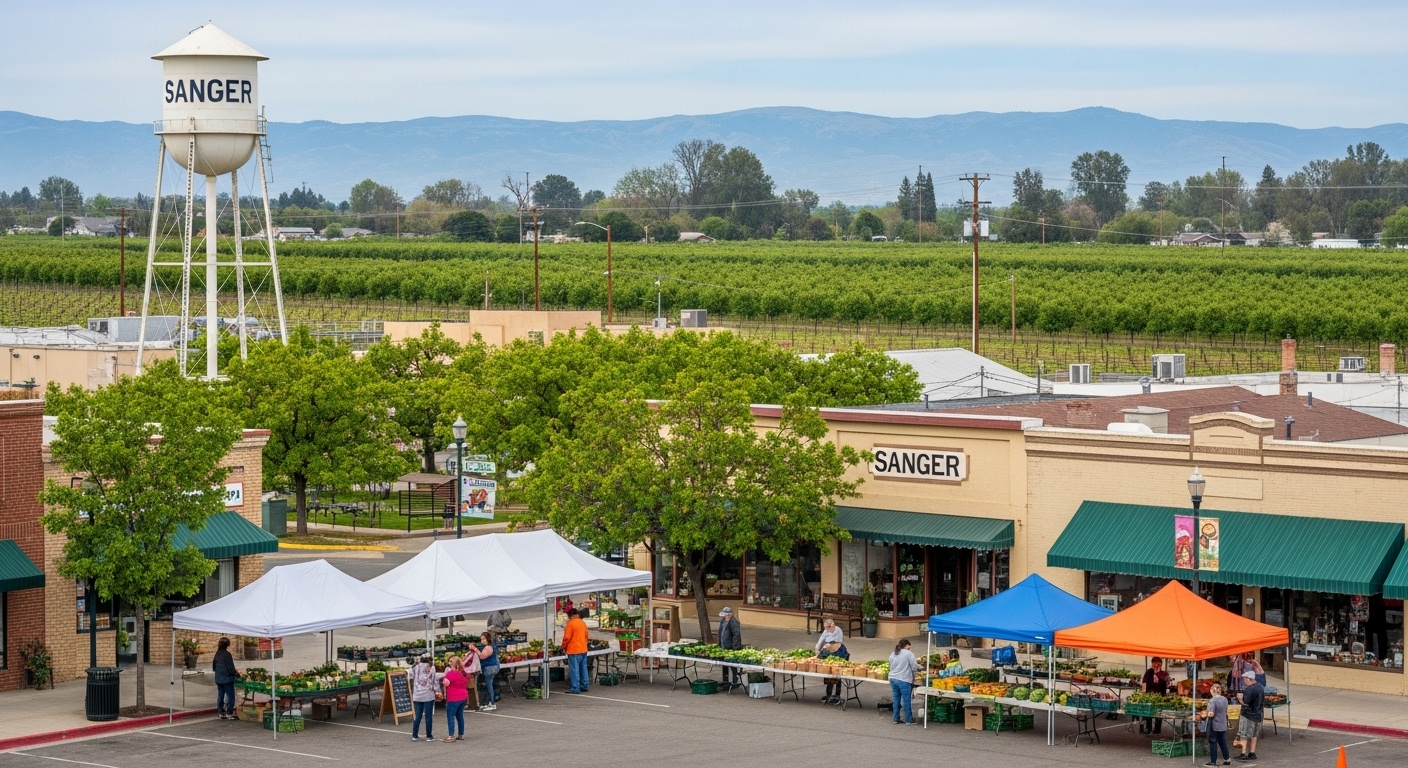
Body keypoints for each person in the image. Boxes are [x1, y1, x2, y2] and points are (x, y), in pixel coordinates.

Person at [815, 618, 848, 704]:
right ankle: (828, 694)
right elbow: (820, 640)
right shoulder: (826, 631)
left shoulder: (838, 630)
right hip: (829, 652)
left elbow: (835, 641)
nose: (828, 627)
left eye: (830, 625)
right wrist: (817, 649)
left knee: (837, 674)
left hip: (839, 652)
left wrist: (827, 645)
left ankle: (837, 695)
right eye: (827, 626)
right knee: (828, 673)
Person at [409, 653, 440, 741]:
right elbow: (435, 681)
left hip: (417, 694)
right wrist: (437, 691)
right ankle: (429, 736)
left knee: (418, 715)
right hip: (428, 695)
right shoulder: (432, 668)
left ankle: (414, 735)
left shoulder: (415, 667)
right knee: (428, 716)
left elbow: (410, 677)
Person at [888, 639, 918, 725]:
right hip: (903, 679)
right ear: (906, 645)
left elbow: (891, 665)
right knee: (906, 700)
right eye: (909, 647)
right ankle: (909, 719)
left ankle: (895, 718)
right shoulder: (908, 653)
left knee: (896, 699)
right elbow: (914, 666)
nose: (909, 649)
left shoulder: (893, 653)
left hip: (893, 678)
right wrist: (917, 670)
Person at [441, 655, 470, 742]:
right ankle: (461, 734)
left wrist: (444, 677)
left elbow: (445, 683)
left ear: (452, 664)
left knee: (450, 716)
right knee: (460, 716)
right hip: (463, 696)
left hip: (453, 697)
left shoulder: (451, 673)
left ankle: (451, 735)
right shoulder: (465, 672)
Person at [1236, 669, 1264, 761]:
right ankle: (1252, 753)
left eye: (1245, 679)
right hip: (1258, 715)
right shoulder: (1260, 687)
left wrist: (1240, 699)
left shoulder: (1250, 689)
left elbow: (1246, 702)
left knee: (1244, 734)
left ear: (1249, 679)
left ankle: (1243, 753)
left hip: (1248, 715)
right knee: (1254, 735)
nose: (1244, 681)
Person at [563, 607, 590, 694]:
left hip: (573, 649)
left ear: (570, 615)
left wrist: (563, 647)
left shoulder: (570, 623)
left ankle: (575, 687)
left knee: (574, 669)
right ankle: (585, 685)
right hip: (583, 648)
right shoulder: (582, 622)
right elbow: (586, 635)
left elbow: (567, 638)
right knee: (583, 668)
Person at [1141, 657, 1170, 735]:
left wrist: (1166, 695)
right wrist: (1143, 694)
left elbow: (1167, 685)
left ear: (1161, 665)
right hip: (1149, 695)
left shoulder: (1164, 674)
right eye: (1154, 665)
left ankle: (1157, 729)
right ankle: (1148, 728)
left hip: (1160, 695)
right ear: (1152, 664)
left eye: (1158, 665)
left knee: (1158, 713)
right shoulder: (1149, 672)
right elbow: (1144, 684)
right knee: (1148, 712)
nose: (1156, 666)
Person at [1204, 681, 1230, 766]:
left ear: (1212, 690)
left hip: (1214, 724)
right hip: (1222, 723)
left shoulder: (1213, 700)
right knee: (1222, 742)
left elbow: (1211, 713)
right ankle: (1227, 759)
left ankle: (1213, 761)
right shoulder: (1225, 699)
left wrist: (1205, 714)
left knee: (1213, 742)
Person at [212, 637, 238, 720]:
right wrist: (236, 674)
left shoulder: (217, 653)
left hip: (218, 678)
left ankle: (221, 712)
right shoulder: (227, 655)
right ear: (227, 645)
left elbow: (214, 667)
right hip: (227, 679)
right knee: (230, 696)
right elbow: (231, 668)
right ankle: (229, 712)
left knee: (220, 695)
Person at [473, 632, 500, 710]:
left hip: (489, 668)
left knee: (489, 685)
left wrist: (475, 649)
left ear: (488, 639)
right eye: (481, 639)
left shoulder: (488, 647)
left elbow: (482, 656)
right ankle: (489, 702)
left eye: (484, 639)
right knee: (489, 685)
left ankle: (491, 703)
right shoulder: (492, 646)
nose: (482, 641)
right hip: (492, 668)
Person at [717, 607, 743, 689]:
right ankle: (725, 680)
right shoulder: (723, 621)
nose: (725, 617)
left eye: (726, 615)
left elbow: (736, 634)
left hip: (730, 647)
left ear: (729, 615)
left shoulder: (733, 621)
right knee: (724, 664)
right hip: (724, 646)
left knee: (732, 664)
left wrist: (735, 646)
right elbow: (720, 632)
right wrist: (719, 644)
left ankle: (735, 680)